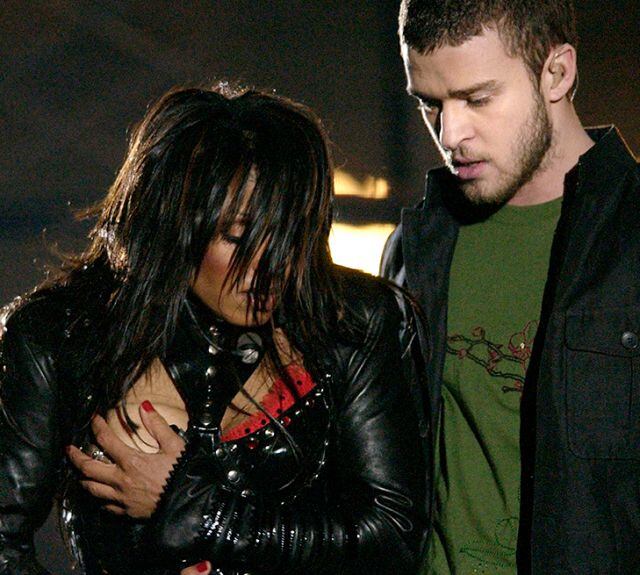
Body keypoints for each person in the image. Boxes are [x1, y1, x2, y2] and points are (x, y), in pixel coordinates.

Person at [0, 85, 428, 575]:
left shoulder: (349, 321)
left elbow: (394, 536)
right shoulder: (60, 335)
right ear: (173, 223)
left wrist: (196, 511)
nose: (270, 267)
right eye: (238, 237)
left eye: (288, 235)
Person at [382, 1, 640, 574]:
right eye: (430, 104)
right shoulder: (415, 248)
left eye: (477, 99)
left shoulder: (630, 239)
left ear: (557, 73)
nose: (450, 133)